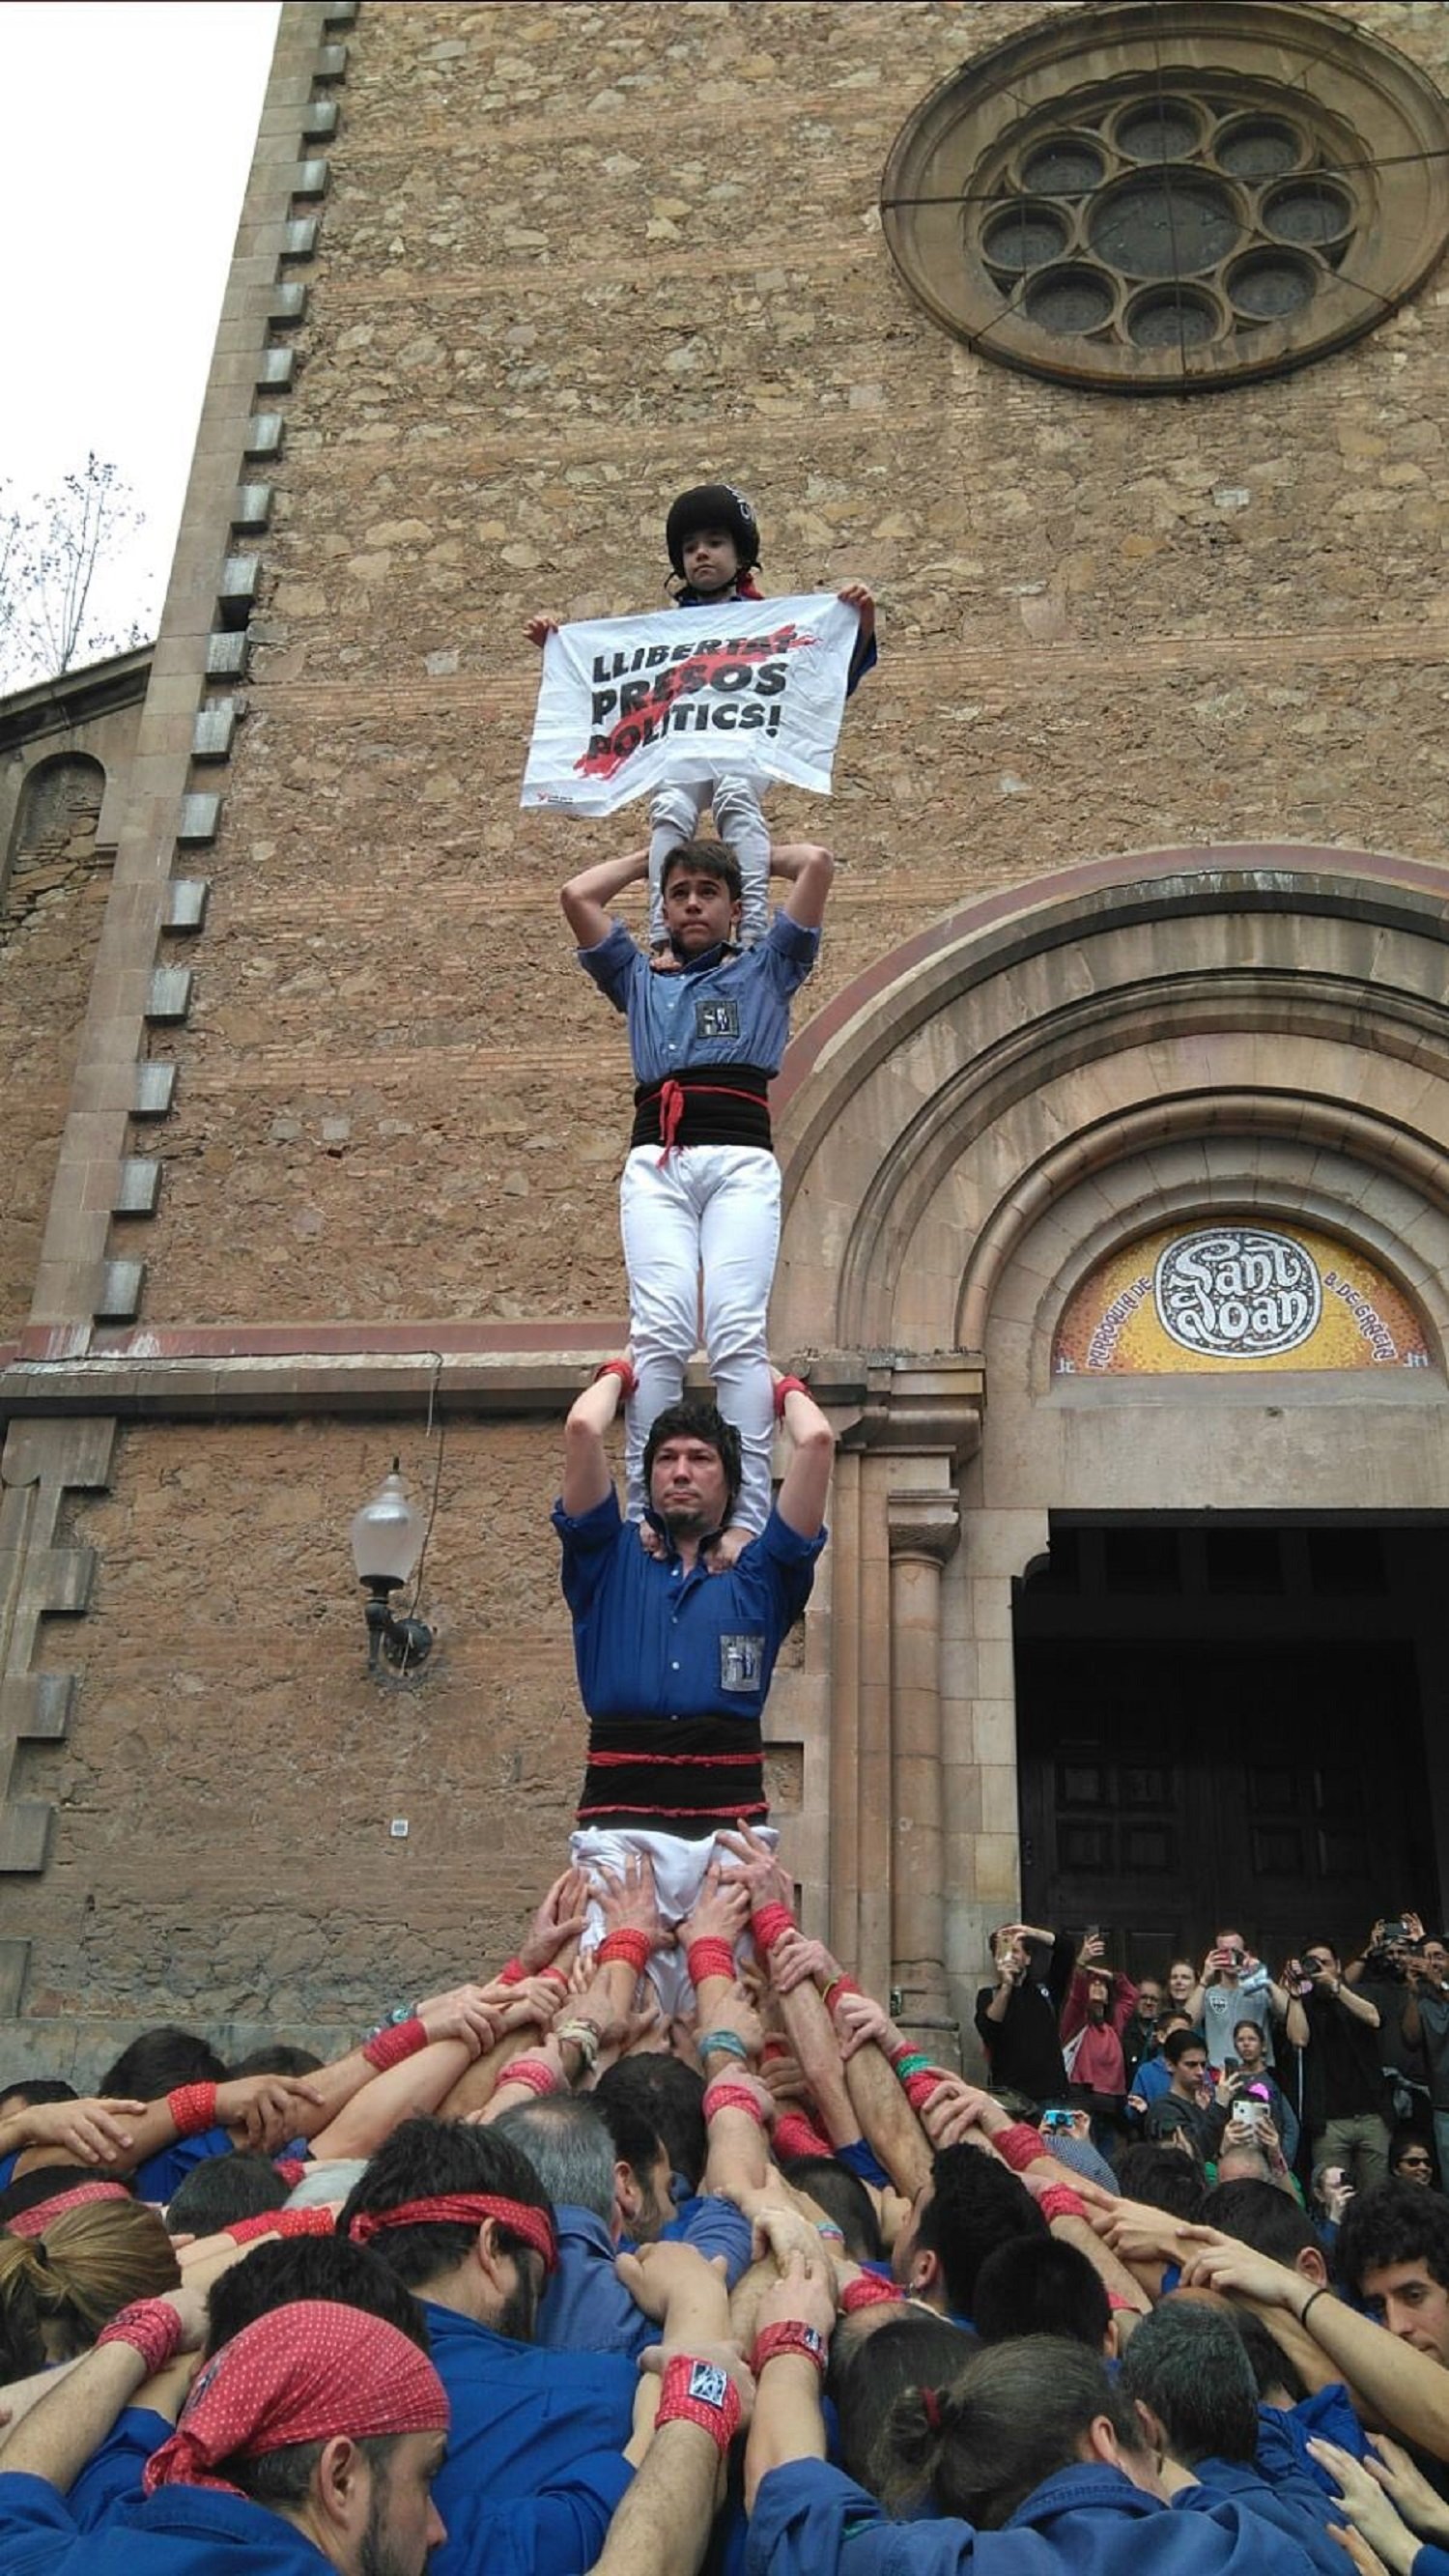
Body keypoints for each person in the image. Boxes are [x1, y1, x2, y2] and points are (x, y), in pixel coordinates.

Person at [561, 831, 835, 1539]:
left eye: (707, 892)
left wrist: (746, 853)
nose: (691, 904)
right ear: (662, 907)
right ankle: (645, 1514)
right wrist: (650, 857)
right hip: (658, 1164)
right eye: (678, 893)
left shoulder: (769, 968)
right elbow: (577, 896)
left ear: (736, 908)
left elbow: (815, 865)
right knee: (660, 1332)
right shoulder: (639, 979)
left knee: (737, 1332)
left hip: (740, 1163)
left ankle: (744, 1519)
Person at [554, 1360, 834, 2006]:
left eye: (701, 1459)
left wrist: (775, 1381)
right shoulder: (606, 1561)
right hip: (618, 1840)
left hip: (728, 1845)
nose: (680, 1471)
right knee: (605, 2014)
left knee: (729, 2018)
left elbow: (817, 1441)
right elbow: (582, 1429)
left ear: (731, 1485)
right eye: (667, 1459)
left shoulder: (761, 1576)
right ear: (648, 1478)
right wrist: (624, 1370)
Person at [529, 481, 875, 951]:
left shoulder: (774, 623)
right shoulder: (663, 633)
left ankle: (751, 931)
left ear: (740, 554)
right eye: (690, 547)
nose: (702, 554)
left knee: (736, 796)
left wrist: (860, 622)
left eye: (715, 542)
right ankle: (663, 936)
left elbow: (825, 681)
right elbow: (609, 680)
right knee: (670, 807)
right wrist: (557, 646)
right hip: (685, 745)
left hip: (742, 741)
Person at [0, 2294, 452, 2576]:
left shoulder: (100, 2533)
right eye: (425, 2477)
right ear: (339, 2478)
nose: (438, 2531)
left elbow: (15, 2491)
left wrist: (149, 2329)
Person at [1293, 1942, 1391, 2188]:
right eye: (1313, 1963)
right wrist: (1294, 1995)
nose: (1320, 1968)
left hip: (1372, 2115)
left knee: (1377, 2195)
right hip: (1328, 2122)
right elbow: (1298, 2039)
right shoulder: (1304, 2003)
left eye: (1325, 1963)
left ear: (1338, 1966)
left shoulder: (1360, 1993)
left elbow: (1374, 2018)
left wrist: (1336, 1987)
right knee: (1334, 2194)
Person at [974, 1922, 1076, 2109]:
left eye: (1015, 1951)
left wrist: (1030, 1932)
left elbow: (1066, 1949)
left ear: (1027, 1958)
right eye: (1003, 1952)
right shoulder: (988, 1995)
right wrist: (1007, 1985)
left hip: (1051, 2095)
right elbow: (988, 2028)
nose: (1010, 1957)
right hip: (1010, 2098)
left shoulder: (1046, 1990)